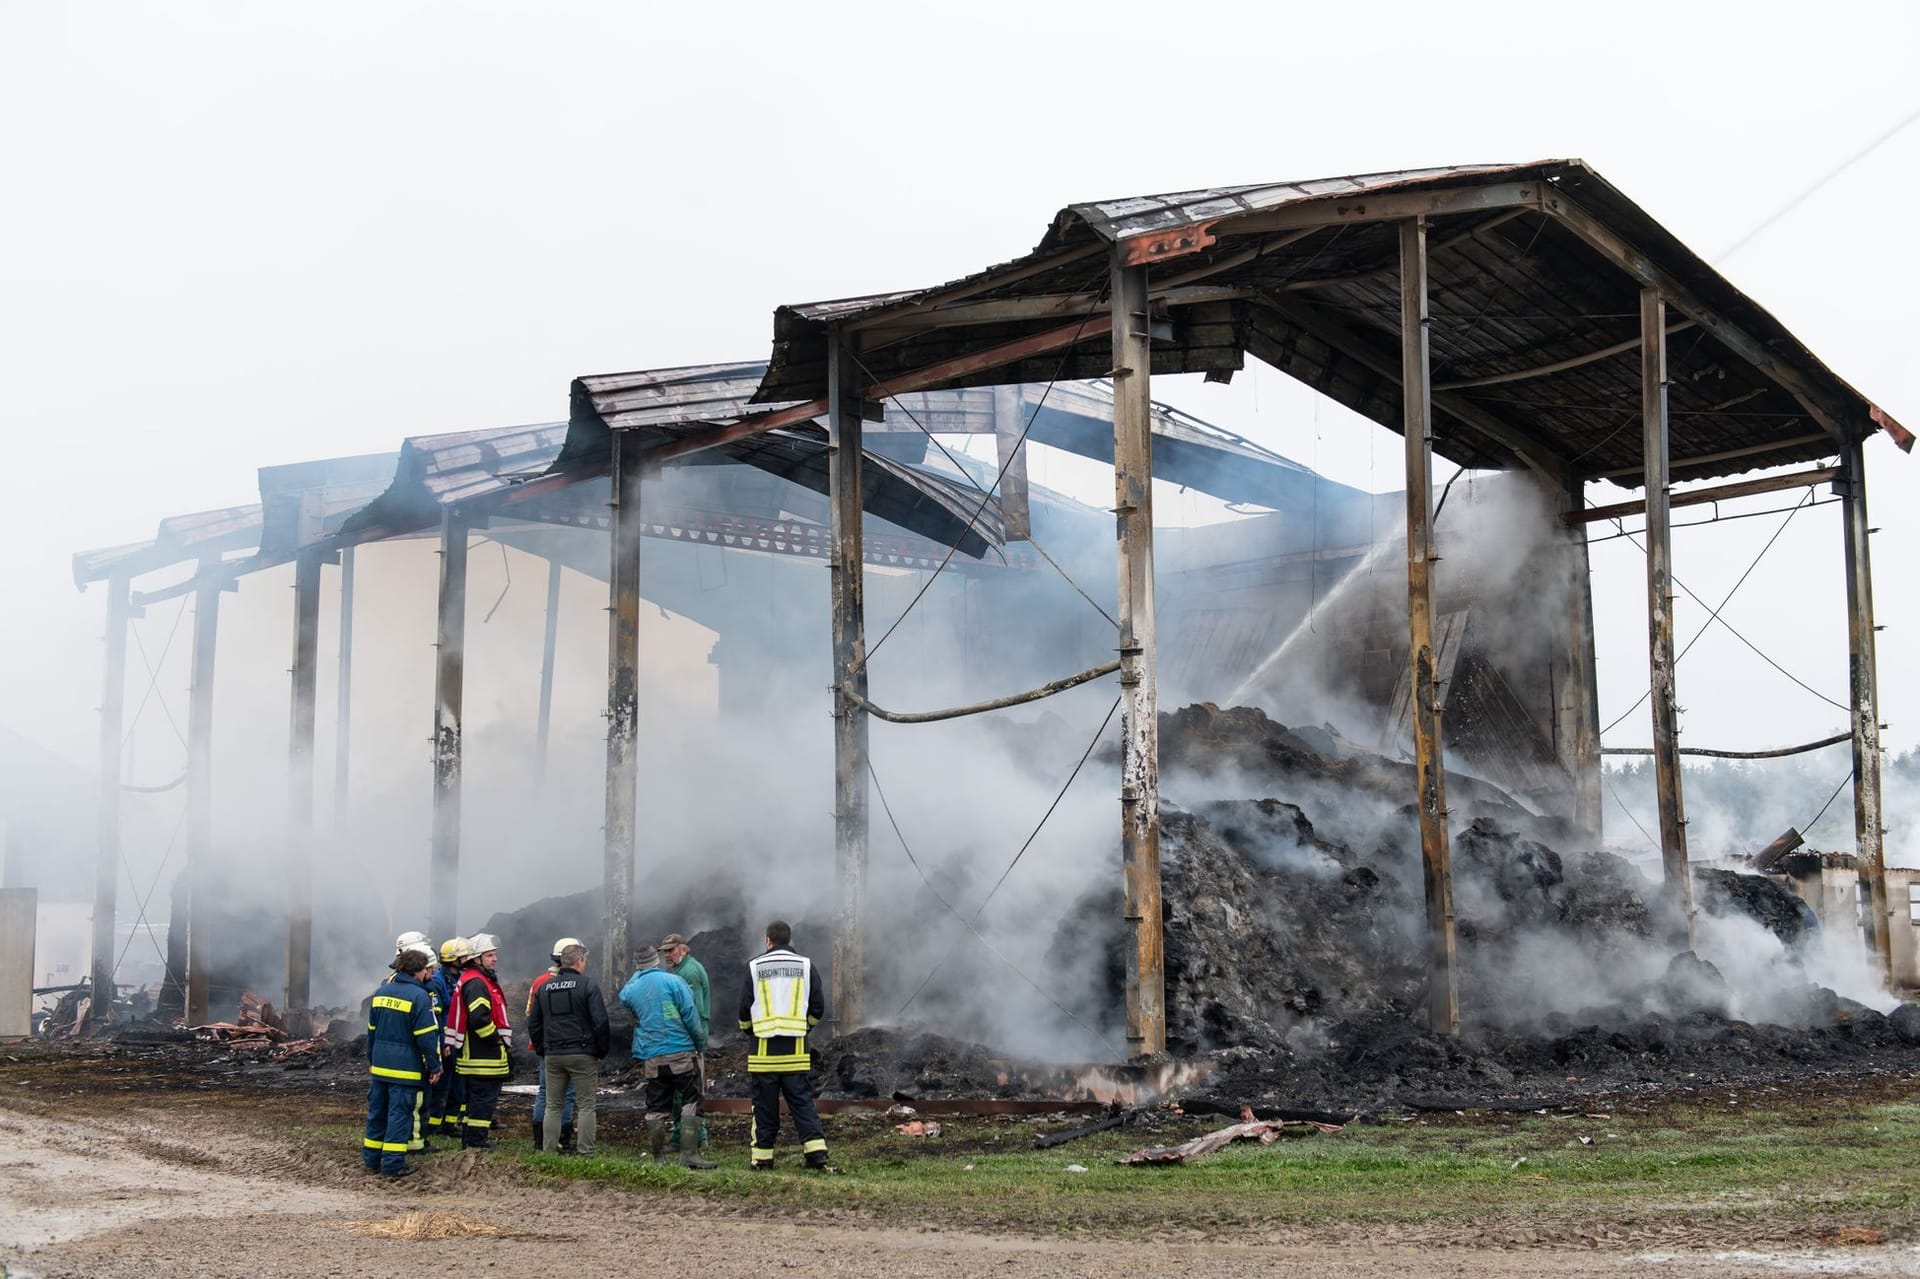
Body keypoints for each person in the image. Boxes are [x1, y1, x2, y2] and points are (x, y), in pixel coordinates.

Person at [737, 920, 830, 1171]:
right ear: (789, 940)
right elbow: (818, 1006)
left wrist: (748, 1030)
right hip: (796, 1053)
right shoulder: (806, 966)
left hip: (763, 1054)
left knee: (764, 1107)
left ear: (768, 940)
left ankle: (763, 1159)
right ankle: (816, 1154)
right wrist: (804, 1027)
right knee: (802, 1103)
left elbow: (745, 1008)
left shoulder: (754, 967)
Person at [618, 944, 714, 1169]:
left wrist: (639, 972)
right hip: (680, 1052)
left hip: (652, 1056)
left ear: (639, 966)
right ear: (657, 961)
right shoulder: (674, 982)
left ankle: (658, 1158)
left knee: (656, 1107)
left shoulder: (632, 989)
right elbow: (690, 1016)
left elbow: (624, 994)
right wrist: (699, 1043)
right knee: (692, 1099)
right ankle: (689, 1155)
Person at [362, 943, 441, 1179]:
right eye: (428, 970)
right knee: (400, 1115)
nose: (430, 974)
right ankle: (393, 1165)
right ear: (420, 971)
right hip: (405, 1070)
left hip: (380, 1067)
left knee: (377, 1113)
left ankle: (371, 1159)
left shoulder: (381, 993)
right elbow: (426, 1037)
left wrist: (372, 1060)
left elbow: (371, 1032)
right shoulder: (420, 996)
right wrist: (435, 1065)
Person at [526, 941, 609, 1156]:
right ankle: (586, 1151)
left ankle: (548, 1150)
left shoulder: (544, 988)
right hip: (582, 1053)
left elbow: (533, 1023)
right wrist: (601, 1050)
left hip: (553, 1054)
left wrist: (542, 1049)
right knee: (586, 1105)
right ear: (580, 961)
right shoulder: (588, 985)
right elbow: (600, 1022)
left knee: (553, 1105)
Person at [443, 931, 511, 1150]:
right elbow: (480, 1019)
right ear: (477, 958)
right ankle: (476, 1143)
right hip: (482, 1056)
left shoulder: (474, 979)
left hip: (478, 1055)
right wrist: (496, 1040)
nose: (495, 959)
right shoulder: (477, 983)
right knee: (482, 1102)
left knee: (477, 1102)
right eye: (490, 955)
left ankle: (472, 1140)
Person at [526, 937, 582, 1151]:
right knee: (566, 1092)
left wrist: (539, 1045)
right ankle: (562, 1138)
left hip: (545, 1046)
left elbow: (531, 1016)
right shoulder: (574, 983)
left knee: (544, 1091)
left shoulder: (540, 981)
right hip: (564, 1046)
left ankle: (540, 1139)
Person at [661, 932, 710, 1150]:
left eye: (671, 950)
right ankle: (694, 1136)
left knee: (687, 1092)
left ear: (684, 949)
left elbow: (695, 1011)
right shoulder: (681, 971)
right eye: (665, 951)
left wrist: (695, 1042)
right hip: (683, 1039)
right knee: (688, 1091)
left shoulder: (689, 973)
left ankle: (689, 1138)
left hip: (687, 1041)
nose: (667, 955)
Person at [425, 937, 469, 1145]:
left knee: (457, 1084)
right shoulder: (438, 981)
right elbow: (441, 1012)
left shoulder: (459, 977)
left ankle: (451, 1123)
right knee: (442, 1085)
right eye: (463, 956)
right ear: (454, 959)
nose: (467, 959)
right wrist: (444, 1043)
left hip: (457, 1038)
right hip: (447, 1040)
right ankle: (435, 1125)